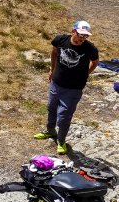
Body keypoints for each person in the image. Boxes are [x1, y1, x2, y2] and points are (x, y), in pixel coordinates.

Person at [34, 20, 100, 155]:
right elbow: (54, 52)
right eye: (80, 34)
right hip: (56, 83)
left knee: (64, 116)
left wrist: (86, 73)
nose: (83, 38)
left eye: (85, 36)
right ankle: (50, 130)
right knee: (51, 107)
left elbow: (95, 62)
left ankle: (61, 141)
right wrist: (52, 69)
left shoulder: (90, 48)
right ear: (73, 31)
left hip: (74, 89)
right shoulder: (60, 40)